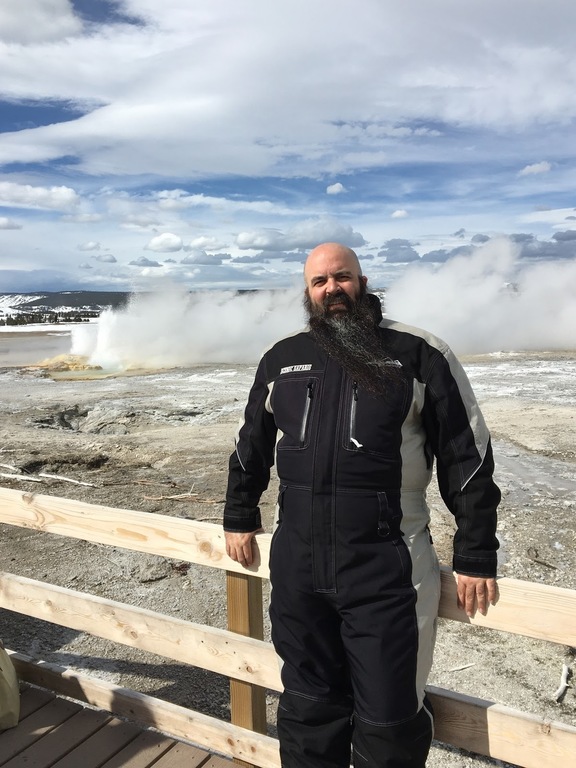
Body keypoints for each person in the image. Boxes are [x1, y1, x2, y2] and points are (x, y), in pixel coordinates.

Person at [224, 242, 500, 768]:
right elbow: (250, 445)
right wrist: (239, 515)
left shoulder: (418, 353)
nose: (332, 289)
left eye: (341, 277)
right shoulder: (282, 359)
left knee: (389, 719)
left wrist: (476, 552)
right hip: (298, 567)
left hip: (386, 570)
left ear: (363, 281)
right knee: (308, 709)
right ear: (307, 293)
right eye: (319, 282)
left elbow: (467, 454)